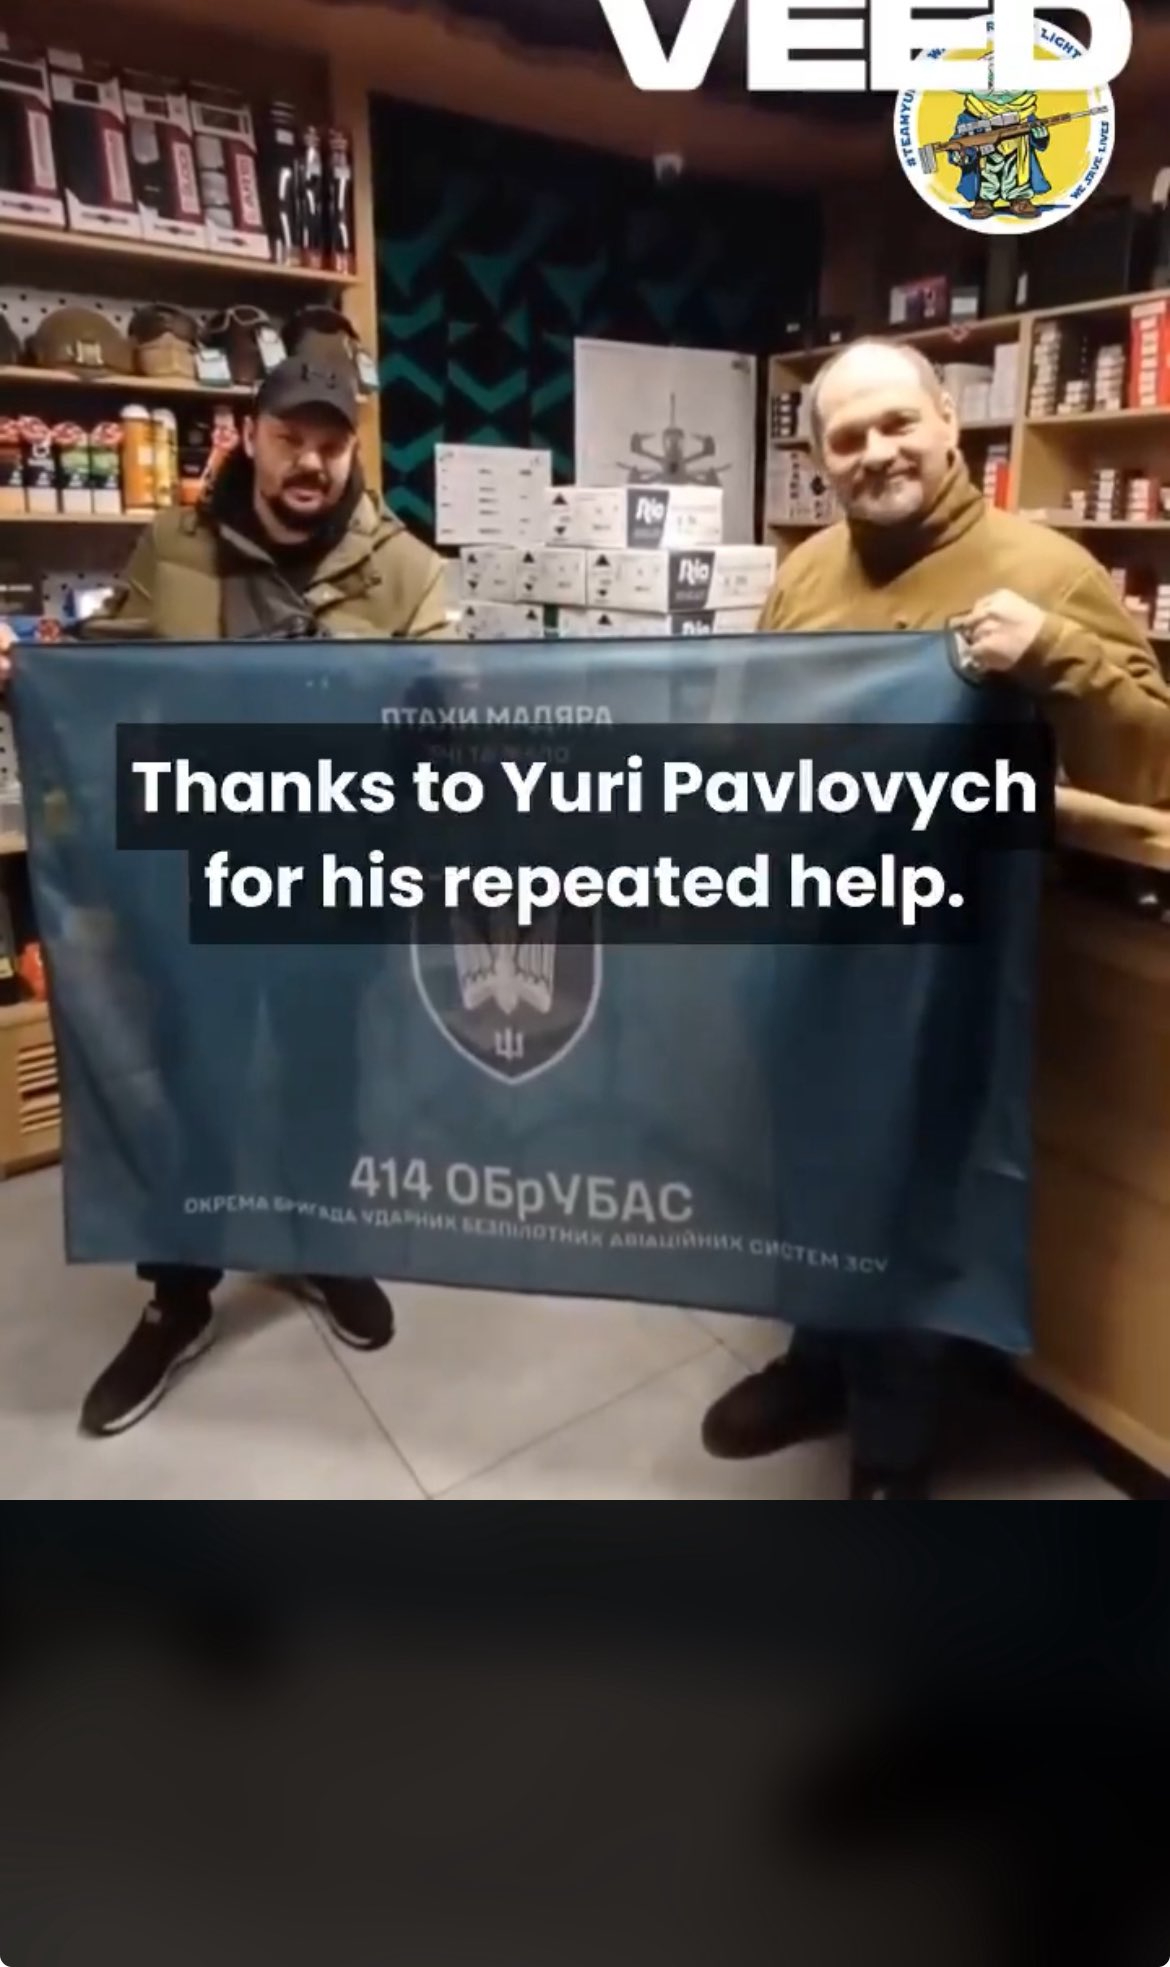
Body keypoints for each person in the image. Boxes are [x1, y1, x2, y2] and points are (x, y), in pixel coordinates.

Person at [702, 336, 1170, 1501]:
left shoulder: (1046, 570)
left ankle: (894, 1442)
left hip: (937, 963)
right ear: (821, 459)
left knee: (910, 1187)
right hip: (807, 937)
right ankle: (817, 1360)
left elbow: (1155, 762)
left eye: (897, 423)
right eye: (847, 437)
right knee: (810, 1164)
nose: (876, 451)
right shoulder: (809, 569)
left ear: (950, 425)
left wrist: (1055, 654)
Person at [0, 356, 454, 1436]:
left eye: (331, 442)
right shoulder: (174, 547)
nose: (311, 461)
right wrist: (27, 667)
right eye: (291, 437)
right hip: (192, 881)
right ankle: (179, 1294)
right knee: (190, 1086)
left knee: (324, 1078)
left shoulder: (404, 570)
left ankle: (322, 1244)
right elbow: (103, 663)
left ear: (353, 448)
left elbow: (446, 711)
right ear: (249, 436)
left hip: (333, 881)